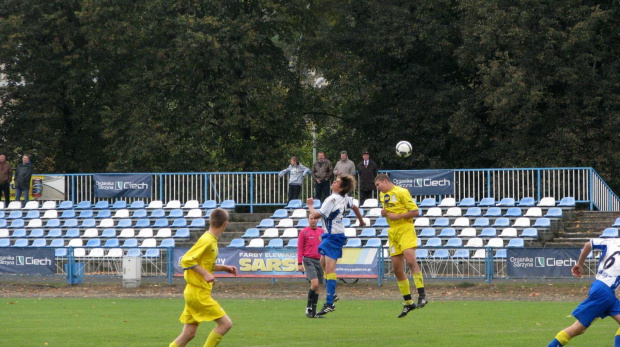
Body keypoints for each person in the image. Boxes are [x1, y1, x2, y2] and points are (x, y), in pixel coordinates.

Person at [170, 208, 238, 347]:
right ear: (225, 224)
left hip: (194, 292)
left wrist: (225, 268)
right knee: (226, 324)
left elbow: (204, 265)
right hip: (198, 293)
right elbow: (186, 260)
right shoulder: (207, 240)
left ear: (210, 221)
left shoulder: (211, 240)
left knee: (188, 334)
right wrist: (205, 274)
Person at [307, 175, 365, 316]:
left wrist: (309, 204)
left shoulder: (332, 199)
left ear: (342, 187)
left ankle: (329, 303)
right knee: (322, 263)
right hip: (331, 236)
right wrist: (361, 221)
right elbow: (355, 207)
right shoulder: (345, 198)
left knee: (329, 268)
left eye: (337, 182)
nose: (333, 182)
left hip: (334, 236)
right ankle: (331, 294)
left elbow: (314, 215)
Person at [547, 238, 620, 347]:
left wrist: (579, 264)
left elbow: (588, 244)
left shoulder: (612, 241)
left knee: (579, 329)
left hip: (602, 288)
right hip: (604, 293)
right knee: (577, 329)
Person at [374, 173, 427, 318]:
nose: (378, 189)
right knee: (397, 269)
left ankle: (422, 294)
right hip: (393, 233)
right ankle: (408, 302)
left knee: (410, 261)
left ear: (385, 181)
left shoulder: (402, 192)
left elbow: (415, 212)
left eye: (378, 185)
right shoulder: (383, 196)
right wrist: (384, 213)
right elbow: (389, 211)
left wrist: (397, 216)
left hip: (405, 229)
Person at [297, 213, 326, 318]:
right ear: (308, 220)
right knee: (314, 284)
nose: (313, 220)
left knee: (318, 286)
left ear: (317, 220)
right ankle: (308, 307)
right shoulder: (304, 232)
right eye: (311, 218)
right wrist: (300, 263)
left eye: (314, 219)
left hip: (320, 261)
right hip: (308, 260)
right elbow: (300, 248)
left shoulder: (321, 232)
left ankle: (314, 312)